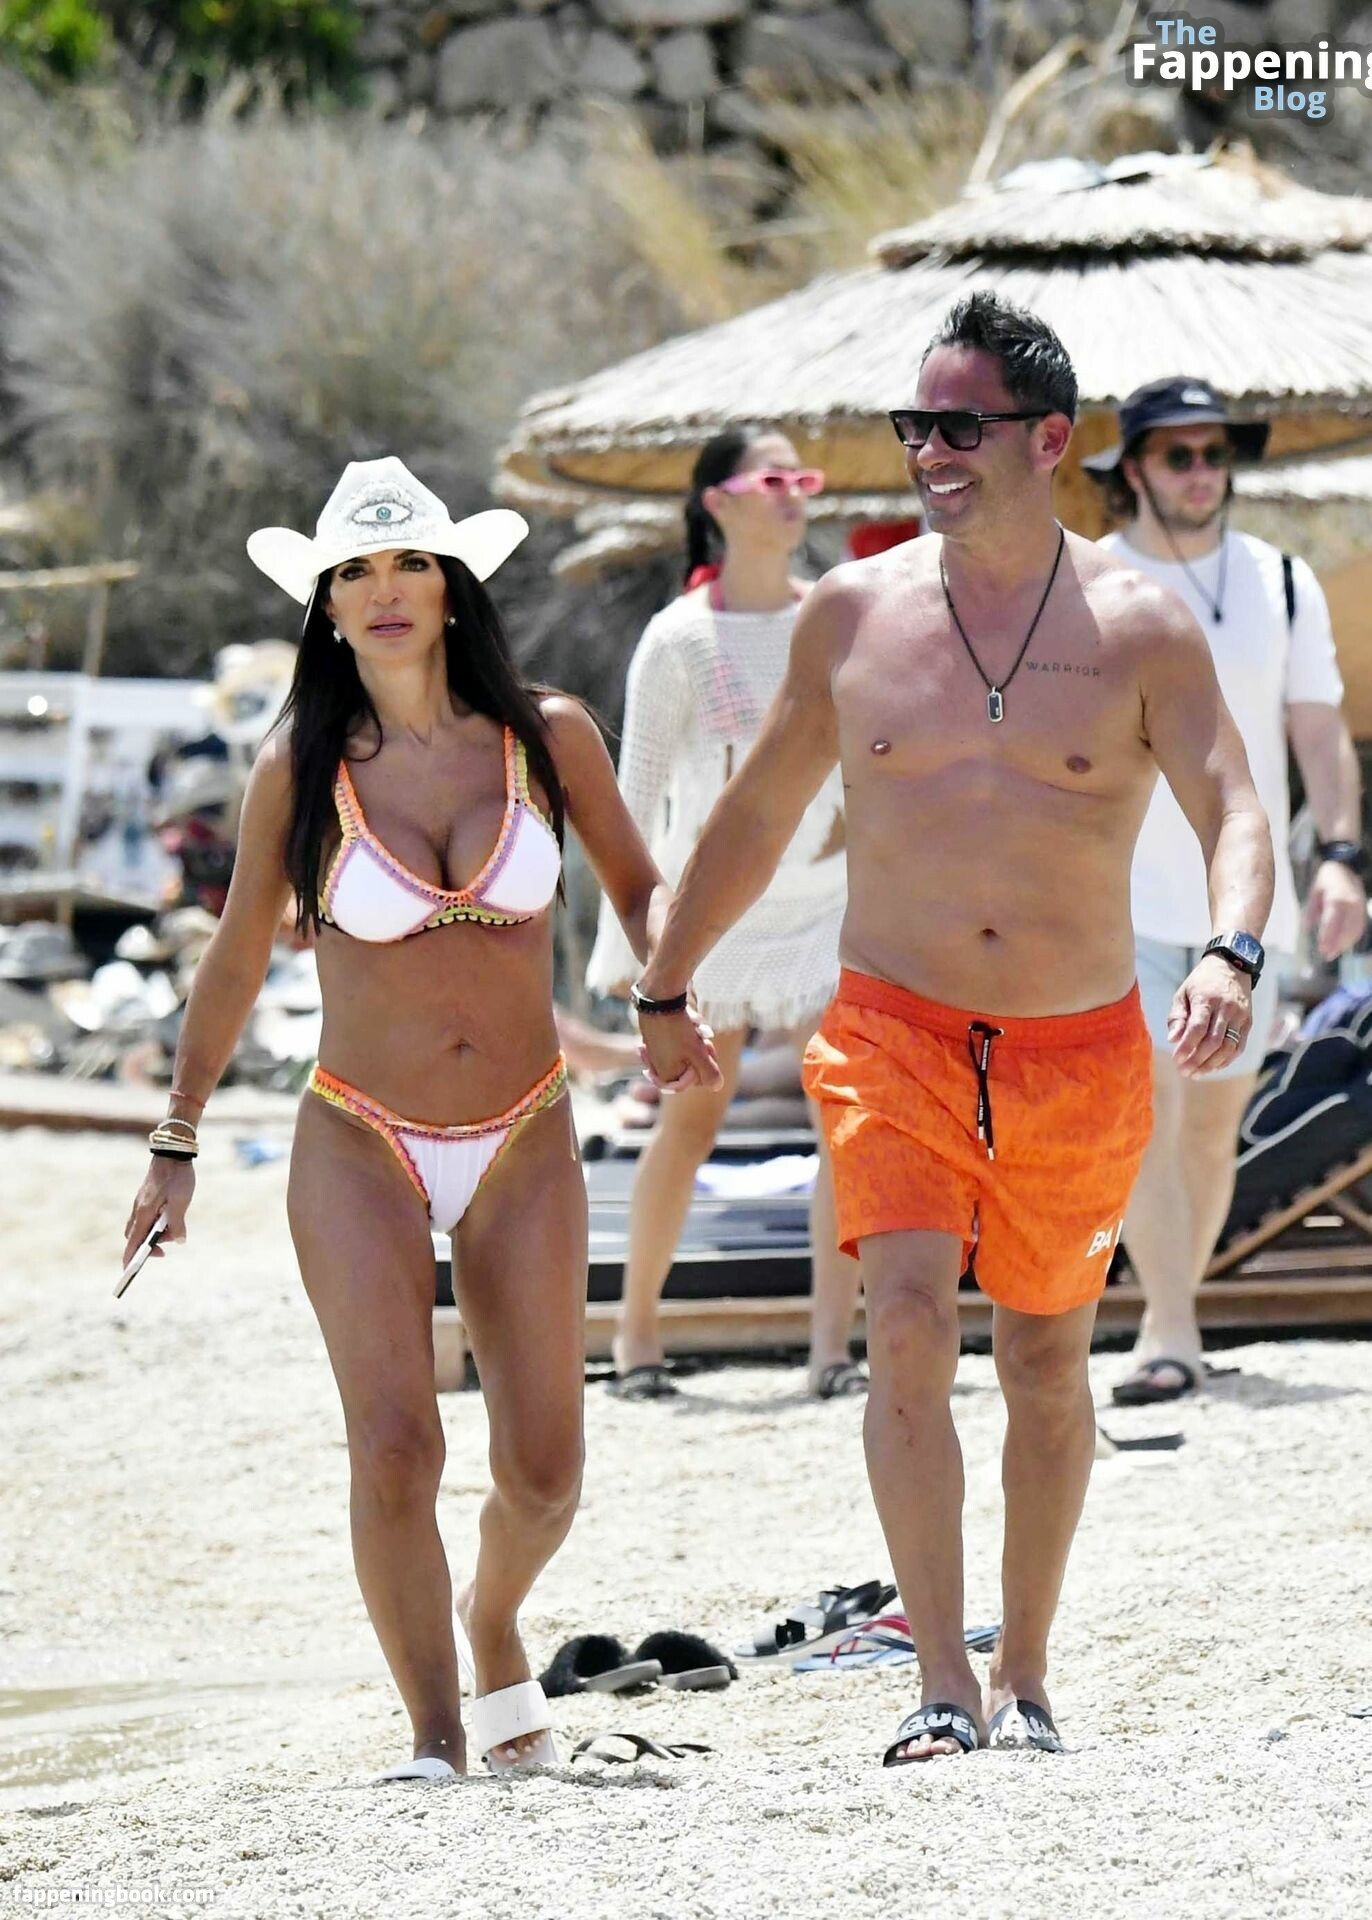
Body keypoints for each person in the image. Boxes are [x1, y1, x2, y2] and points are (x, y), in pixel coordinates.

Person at [633, 292, 1275, 1765]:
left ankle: (1024, 1672)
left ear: (1048, 440)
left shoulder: (1138, 624)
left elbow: (1234, 806)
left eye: (960, 426)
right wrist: (666, 982)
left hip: (1075, 1044)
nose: (929, 450)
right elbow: (755, 815)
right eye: (914, 424)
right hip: (893, 1026)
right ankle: (939, 1682)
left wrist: (1231, 951)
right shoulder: (852, 615)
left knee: (1044, 1363)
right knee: (909, 1320)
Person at [122, 458, 683, 1782]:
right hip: (358, 1135)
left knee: (545, 1470)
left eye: (411, 563)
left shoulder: (548, 736)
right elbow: (236, 958)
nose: (385, 590)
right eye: (358, 571)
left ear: (450, 587)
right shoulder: (299, 766)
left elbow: (639, 886)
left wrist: (662, 995)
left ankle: (492, 1624)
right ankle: (436, 1739)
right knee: (395, 1442)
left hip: (525, 1129)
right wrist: (177, 1137)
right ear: (325, 603)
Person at [1084, 380, 1367, 1404]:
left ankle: (1173, 1316)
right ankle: (1168, 1329)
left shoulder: (1282, 581)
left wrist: (1340, 854)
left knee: (1211, 1127)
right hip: (1113, 897)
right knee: (1144, 1116)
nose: (1201, 472)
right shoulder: (1088, 579)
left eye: (1215, 453)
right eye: (1177, 454)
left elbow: (1317, 730)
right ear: (1132, 469)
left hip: (1241, 906)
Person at [586, 428, 863, 1400]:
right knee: (690, 1120)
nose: (793, 495)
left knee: (845, 1120)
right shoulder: (677, 637)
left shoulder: (833, 617)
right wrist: (636, 949)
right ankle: (634, 1340)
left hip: (829, 904)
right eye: (771, 478)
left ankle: (832, 1352)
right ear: (718, 501)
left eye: (803, 478)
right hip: (714, 911)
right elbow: (633, 797)